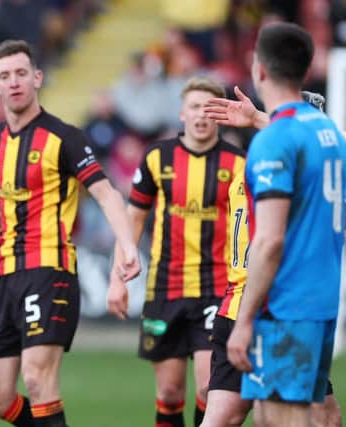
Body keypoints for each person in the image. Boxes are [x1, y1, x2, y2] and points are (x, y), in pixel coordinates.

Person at [0, 39, 140, 427]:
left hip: (50, 271)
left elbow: (106, 193)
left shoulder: (64, 137)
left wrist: (127, 247)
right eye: (5, 76)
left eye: (21, 73)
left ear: (37, 78)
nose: (14, 82)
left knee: (37, 377)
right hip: (7, 274)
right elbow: (7, 200)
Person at [226, 22, 346, 427]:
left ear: (259, 69)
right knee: (274, 418)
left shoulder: (273, 142)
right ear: (306, 71)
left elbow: (270, 241)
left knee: (283, 420)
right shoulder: (327, 132)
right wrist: (260, 119)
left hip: (286, 304)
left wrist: (242, 322)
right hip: (322, 299)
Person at [108, 76, 246, 427]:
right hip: (166, 288)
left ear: (220, 114)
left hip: (217, 289)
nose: (201, 115)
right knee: (169, 394)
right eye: (195, 107)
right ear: (182, 113)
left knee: (207, 388)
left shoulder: (239, 163)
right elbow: (133, 218)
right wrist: (117, 279)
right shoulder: (158, 157)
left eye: (209, 108)